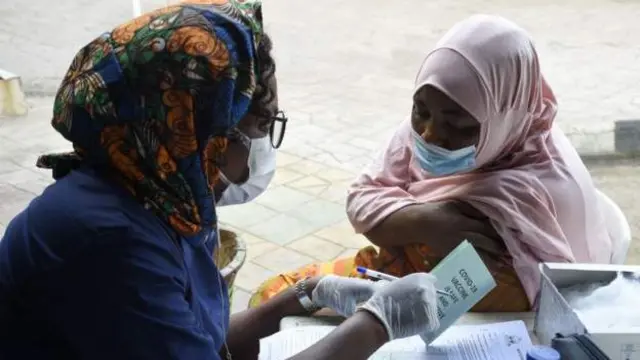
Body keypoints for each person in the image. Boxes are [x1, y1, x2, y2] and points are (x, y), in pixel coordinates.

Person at [0, 1, 441, 359]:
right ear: (196, 133)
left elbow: (201, 341)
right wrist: (376, 324)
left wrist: (304, 296)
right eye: (258, 125)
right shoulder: (110, 242)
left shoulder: (155, 199)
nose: (263, 144)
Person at [250, 14, 616, 312]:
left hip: (451, 313)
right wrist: (429, 222)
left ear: (503, 116)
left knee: (279, 308)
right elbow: (362, 199)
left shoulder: (531, 193)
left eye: (457, 125)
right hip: (401, 281)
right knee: (274, 298)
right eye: (419, 111)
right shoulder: (448, 109)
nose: (428, 135)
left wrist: (398, 226)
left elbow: (449, 301)